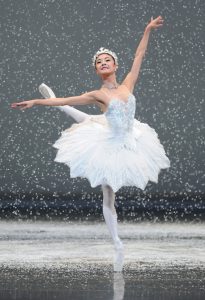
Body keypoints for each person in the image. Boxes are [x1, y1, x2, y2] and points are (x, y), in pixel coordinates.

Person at [11, 16, 170, 272]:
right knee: (108, 193)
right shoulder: (97, 95)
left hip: (130, 136)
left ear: (115, 65)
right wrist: (36, 102)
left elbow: (140, 55)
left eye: (107, 60)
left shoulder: (128, 83)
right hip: (109, 144)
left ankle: (63, 108)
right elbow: (65, 99)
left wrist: (147, 30)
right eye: (99, 62)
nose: (103, 62)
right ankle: (117, 242)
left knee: (89, 121)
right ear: (97, 70)